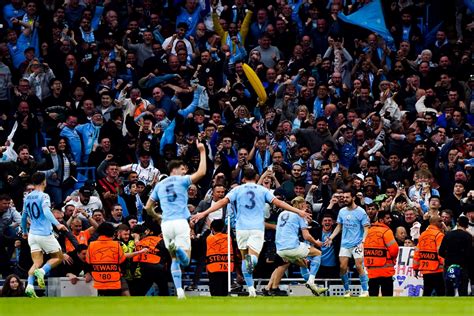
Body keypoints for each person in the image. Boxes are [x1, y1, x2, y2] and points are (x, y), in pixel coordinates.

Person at [192, 168, 311, 297]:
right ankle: (251, 264)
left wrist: (204, 213)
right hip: (256, 228)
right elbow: (278, 202)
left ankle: (251, 290)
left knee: (244, 259)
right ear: (256, 177)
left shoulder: (236, 190)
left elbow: (221, 202)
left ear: (243, 179)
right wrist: (298, 211)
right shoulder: (262, 190)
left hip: (241, 229)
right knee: (252, 258)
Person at [144, 140, 207, 299]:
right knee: (185, 261)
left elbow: (147, 207)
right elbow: (202, 173)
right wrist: (202, 151)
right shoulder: (182, 180)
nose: (185, 171)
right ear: (175, 169)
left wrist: (157, 216)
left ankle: (179, 292)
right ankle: (177, 249)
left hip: (166, 224)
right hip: (180, 223)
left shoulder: (159, 185)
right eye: (183, 168)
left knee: (174, 260)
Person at [20, 172, 68, 298]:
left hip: (32, 235)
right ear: (43, 182)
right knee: (59, 257)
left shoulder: (27, 197)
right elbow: (46, 211)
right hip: (45, 233)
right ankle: (41, 272)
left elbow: (24, 217)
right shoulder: (44, 196)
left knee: (37, 262)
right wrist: (57, 224)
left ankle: (30, 286)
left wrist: (24, 231)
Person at [275, 196, 328, 296]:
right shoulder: (300, 215)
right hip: (292, 247)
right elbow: (306, 236)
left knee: (303, 263)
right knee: (318, 253)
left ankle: (314, 287)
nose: (306, 209)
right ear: (301, 205)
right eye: (305, 206)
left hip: (280, 249)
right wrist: (316, 243)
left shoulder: (282, 214)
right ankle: (311, 282)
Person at [324, 189, 370, 297]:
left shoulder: (361, 212)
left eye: (347, 197)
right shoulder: (342, 211)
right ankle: (347, 291)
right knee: (342, 267)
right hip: (345, 244)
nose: (345, 199)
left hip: (357, 243)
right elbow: (339, 226)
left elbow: (366, 228)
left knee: (359, 266)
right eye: (343, 197)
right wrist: (331, 237)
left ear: (353, 198)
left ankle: (365, 290)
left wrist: (363, 242)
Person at [86, 222, 148, 296]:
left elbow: (88, 261)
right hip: (114, 280)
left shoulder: (91, 245)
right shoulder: (116, 245)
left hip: (98, 280)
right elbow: (122, 259)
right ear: (112, 232)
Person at [364, 211, 399, 296]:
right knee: (387, 298)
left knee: (373, 297)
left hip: (372, 271)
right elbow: (394, 250)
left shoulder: (369, 231)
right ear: (381, 220)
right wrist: (392, 260)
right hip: (385, 271)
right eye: (387, 218)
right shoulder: (387, 231)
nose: (390, 220)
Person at [438, 216, 473, 296]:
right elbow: (470, 254)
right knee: (462, 290)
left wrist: (448, 258)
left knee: (449, 289)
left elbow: (441, 251)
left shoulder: (448, 235)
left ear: (457, 223)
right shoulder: (468, 237)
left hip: (449, 265)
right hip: (463, 266)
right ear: (467, 226)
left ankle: (447, 307)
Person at [413, 215, 445, 296]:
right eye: (440, 221)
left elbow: (417, 253)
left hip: (425, 268)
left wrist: (415, 268)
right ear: (435, 222)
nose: (442, 223)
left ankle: (423, 308)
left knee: (427, 292)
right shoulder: (439, 235)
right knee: (441, 292)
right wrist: (445, 265)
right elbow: (440, 252)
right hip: (437, 269)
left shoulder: (423, 234)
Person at [205, 219, 233, 296]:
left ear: (212, 228)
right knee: (224, 291)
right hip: (226, 268)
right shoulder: (229, 238)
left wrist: (209, 228)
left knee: (215, 292)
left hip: (214, 268)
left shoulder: (209, 238)